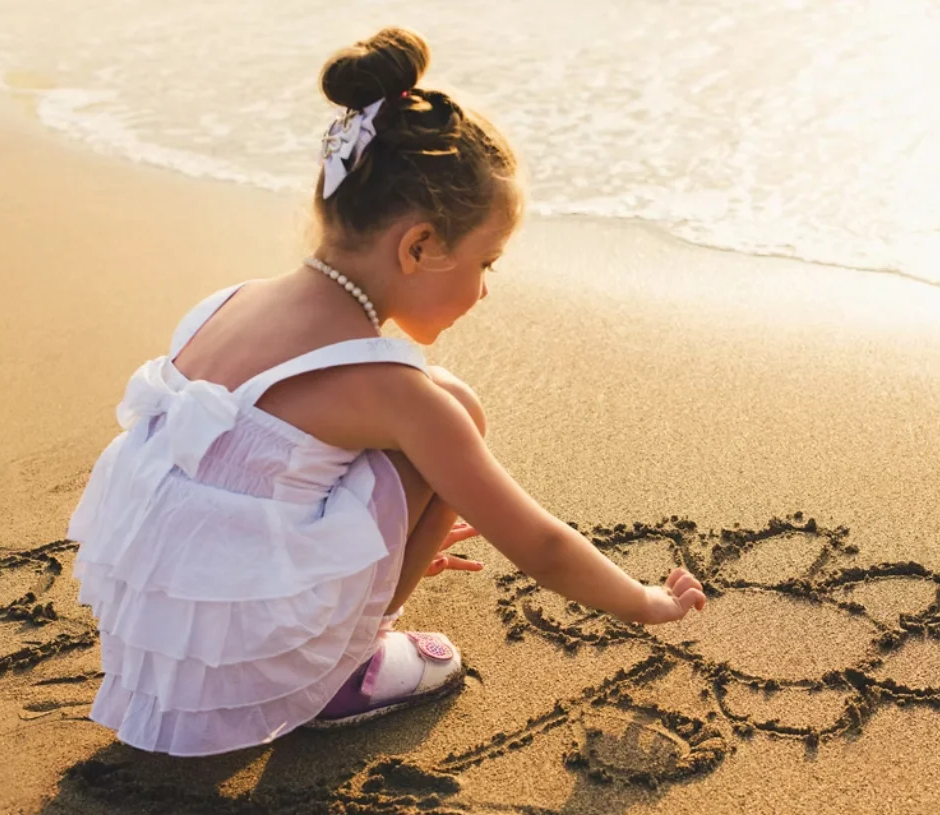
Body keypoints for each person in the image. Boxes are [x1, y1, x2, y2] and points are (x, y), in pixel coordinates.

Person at [67, 27, 706, 757]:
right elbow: (541, 544)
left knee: (422, 423)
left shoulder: (230, 301)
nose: (486, 288)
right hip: (256, 658)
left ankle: (333, 612)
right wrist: (647, 603)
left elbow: (228, 483)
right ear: (419, 246)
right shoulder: (391, 392)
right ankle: (346, 669)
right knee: (451, 413)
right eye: (485, 262)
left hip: (161, 637)